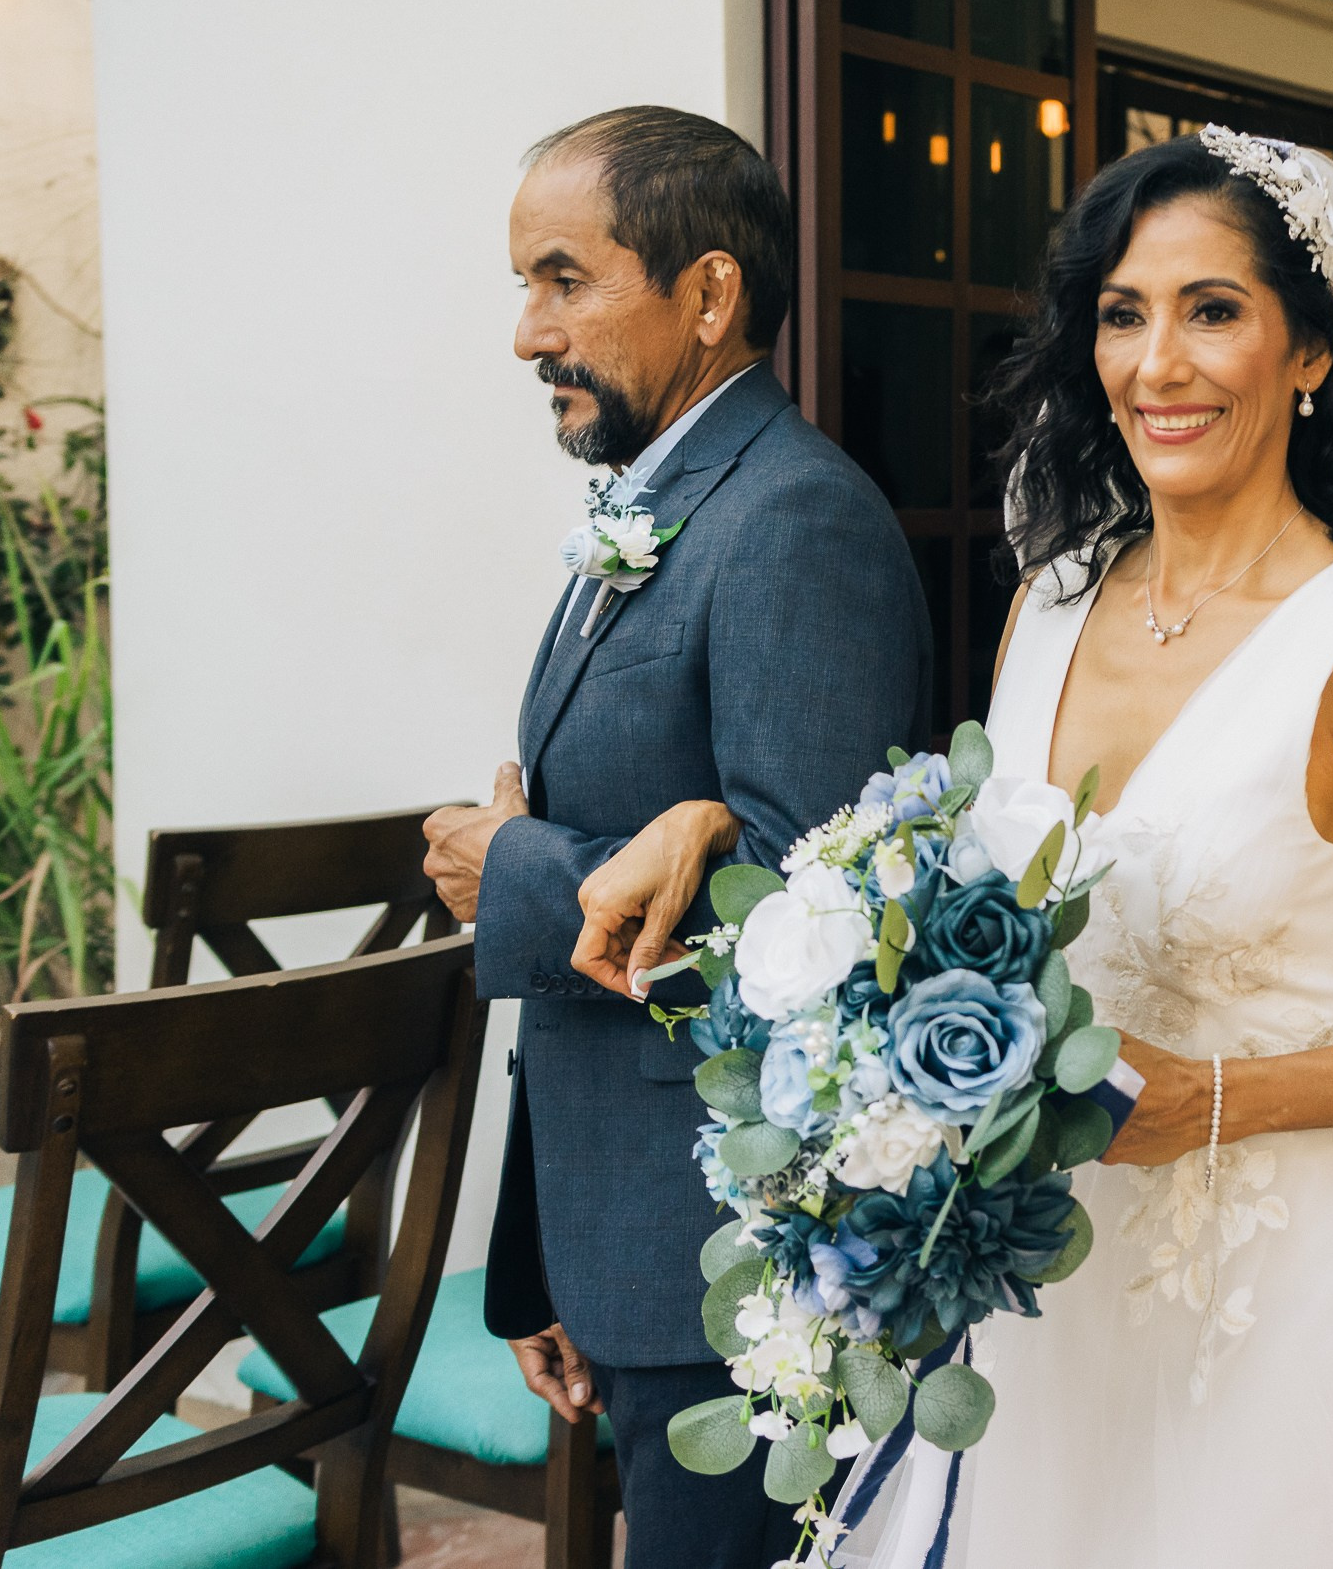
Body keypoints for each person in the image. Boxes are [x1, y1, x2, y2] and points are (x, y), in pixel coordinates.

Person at [571, 129, 1333, 1567]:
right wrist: (725, 834)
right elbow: (974, 897)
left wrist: (1219, 1098)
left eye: (1212, 309)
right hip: (1053, 1270)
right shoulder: (1050, 599)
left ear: (1310, 355)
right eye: (1123, 312)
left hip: (1285, 1276)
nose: (1157, 362)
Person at [416, 106, 928, 1569]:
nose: (528, 332)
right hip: (624, 1241)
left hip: (739, 1271)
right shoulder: (655, 508)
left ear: (708, 294)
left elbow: (810, 945)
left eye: (563, 280)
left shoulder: (796, 521)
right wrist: (543, 1254)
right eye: (525, 284)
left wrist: (510, 863)